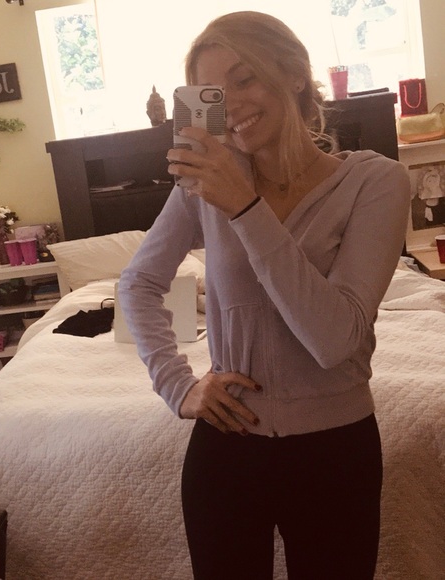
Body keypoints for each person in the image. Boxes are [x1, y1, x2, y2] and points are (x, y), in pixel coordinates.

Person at [118, 11, 410, 580]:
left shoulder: (374, 183)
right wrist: (178, 385)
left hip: (335, 453)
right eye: (213, 91)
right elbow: (138, 283)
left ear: (295, 74)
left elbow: (335, 341)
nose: (231, 104)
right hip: (225, 450)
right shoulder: (203, 188)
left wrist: (245, 208)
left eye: (245, 78)